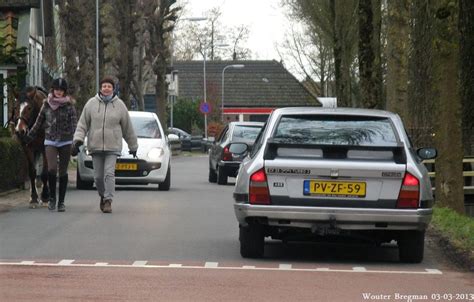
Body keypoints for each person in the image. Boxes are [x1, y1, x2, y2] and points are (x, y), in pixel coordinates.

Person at [72, 76, 138, 213]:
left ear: (113, 89)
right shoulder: (91, 104)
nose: (106, 88)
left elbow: (128, 128)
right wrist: (78, 139)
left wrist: (133, 146)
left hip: (112, 146)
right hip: (95, 146)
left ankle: (108, 200)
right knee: (97, 177)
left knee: (109, 173)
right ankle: (102, 195)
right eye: (104, 86)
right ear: (100, 88)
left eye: (109, 86)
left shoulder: (120, 105)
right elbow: (82, 124)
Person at [27, 78, 77, 212]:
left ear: (64, 92)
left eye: (61, 90)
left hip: (65, 141)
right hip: (50, 140)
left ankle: (61, 201)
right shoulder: (46, 104)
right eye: (56, 90)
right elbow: (38, 122)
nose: (58, 92)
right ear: (52, 90)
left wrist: (75, 141)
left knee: (63, 171)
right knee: (52, 168)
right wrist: (30, 135)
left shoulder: (69, 106)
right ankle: (52, 199)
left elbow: (74, 125)